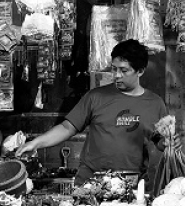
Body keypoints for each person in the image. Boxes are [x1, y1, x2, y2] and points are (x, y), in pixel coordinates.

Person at [15, 39, 169, 185]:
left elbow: (161, 142)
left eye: (124, 70)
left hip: (132, 185)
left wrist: (169, 143)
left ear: (140, 71)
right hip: (91, 183)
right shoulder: (95, 97)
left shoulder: (155, 104)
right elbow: (67, 128)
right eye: (114, 69)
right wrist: (36, 143)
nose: (116, 75)